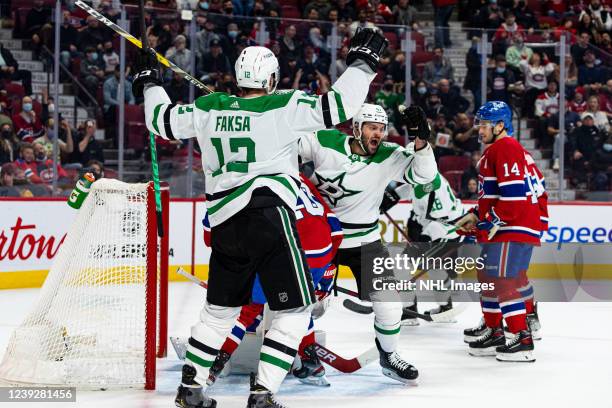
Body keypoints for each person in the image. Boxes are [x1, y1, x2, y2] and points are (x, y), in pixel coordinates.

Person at [133, 28, 387, 408]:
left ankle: (191, 389)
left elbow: (162, 121)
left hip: (224, 224)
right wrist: (363, 64)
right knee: (295, 311)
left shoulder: (209, 107)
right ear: (271, 78)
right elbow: (339, 106)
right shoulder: (284, 104)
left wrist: (149, 81)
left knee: (219, 312)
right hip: (269, 217)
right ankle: (263, 394)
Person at [298, 103, 436, 384]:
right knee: (308, 304)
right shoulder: (326, 140)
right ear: (357, 128)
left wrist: (421, 142)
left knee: (389, 304)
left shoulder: (389, 155)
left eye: (382, 129)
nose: (379, 134)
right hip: (323, 238)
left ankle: (389, 356)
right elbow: (288, 146)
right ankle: (301, 353)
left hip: (366, 240)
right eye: (372, 127)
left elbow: (426, 177)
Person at [206, 174, 342, 388]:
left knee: (249, 308)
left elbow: (211, 235)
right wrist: (327, 267)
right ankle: (310, 360)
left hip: (290, 247)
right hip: (322, 249)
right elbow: (335, 227)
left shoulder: (242, 177)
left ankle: (217, 362)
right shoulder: (301, 178)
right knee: (299, 305)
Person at [456, 101, 547, 362]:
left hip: (512, 225)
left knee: (503, 278)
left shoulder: (505, 147)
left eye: (484, 125)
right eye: (479, 124)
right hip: (511, 223)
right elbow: (497, 193)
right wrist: (476, 214)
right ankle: (495, 329)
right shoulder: (499, 149)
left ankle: (521, 337)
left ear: (499, 125)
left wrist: (490, 221)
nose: (479, 130)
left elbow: (514, 195)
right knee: (487, 274)